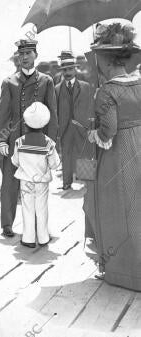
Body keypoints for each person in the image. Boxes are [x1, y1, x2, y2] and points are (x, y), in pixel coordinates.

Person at [87, 22, 141, 290]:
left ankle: (125, 272)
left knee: (116, 208)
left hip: (119, 156)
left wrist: (93, 134)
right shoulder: (140, 82)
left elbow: (108, 132)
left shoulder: (107, 91)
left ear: (106, 59)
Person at [0, 39, 58, 237]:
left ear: (35, 56)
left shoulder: (46, 81)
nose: (24, 58)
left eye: (28, 54)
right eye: (21, 54)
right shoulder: (9, 82)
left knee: (38, 185)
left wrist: (52, 142)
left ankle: (40, 225)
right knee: (9, 183)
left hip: (38, 139)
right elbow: (3, 115)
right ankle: (7, 224)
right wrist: (1, 141)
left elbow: (53, 114)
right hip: (14, 139)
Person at [11, 102, 59, 248]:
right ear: (44, 124)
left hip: (25, 181)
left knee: (27, 209)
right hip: (42, 182)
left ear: (26, 123)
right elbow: (54, 164)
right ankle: (43, 238)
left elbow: (15, 161)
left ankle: (28, 238)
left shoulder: (19, 142)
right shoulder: (49, 143)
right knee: (42, 208)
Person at [55, 50, 92, 190]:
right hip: (65, 126)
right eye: (65, 70)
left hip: (81, 125)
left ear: (75, 70)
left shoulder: (85, 86)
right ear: (62, 72)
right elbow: (55, 110)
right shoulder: (57, 89)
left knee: (84, 152)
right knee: (66, 154)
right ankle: (66, 182)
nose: (67, 72)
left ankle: (86, 181)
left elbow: (90, 106)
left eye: (70, 69)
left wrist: (89, 124)